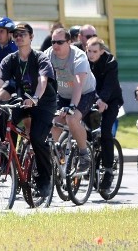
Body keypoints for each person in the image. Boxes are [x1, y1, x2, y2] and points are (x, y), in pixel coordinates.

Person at [0, 22, 57, 199]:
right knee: (5, 117)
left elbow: (43, 80)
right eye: (16, 35)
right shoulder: (10, 59)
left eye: (23, 34)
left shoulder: (40, 58)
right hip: (23, 100)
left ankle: (44, 179)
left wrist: (35, 98)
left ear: (31, 37)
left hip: (43, 102)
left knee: (36, 137)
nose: (18, 37)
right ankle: (5, 159)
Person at [45, 27, 97, 173]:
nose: (55, 45)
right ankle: (52, 156)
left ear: (69, 42)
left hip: (85, 93)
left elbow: (78, 84)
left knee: (72, 119)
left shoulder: (78, 57)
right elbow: (42, 79)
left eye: (60, 42)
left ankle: (84, 154)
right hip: (63, 94)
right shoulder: (48, 54)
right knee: (54, 123)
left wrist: (73, 106)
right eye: (53, 42)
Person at [86, 37, 123, 191]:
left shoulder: (110, 62)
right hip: (93, 98)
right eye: (88, 51)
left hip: (112, 100)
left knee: (106, 131)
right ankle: (87, 160)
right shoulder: (83, 62)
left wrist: (103, 100)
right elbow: (86, 83)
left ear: (102, 51)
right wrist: (96, 99)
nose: (91, 54)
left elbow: (109, 84)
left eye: (95, 51)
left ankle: (108, 170)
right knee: (86, 130)